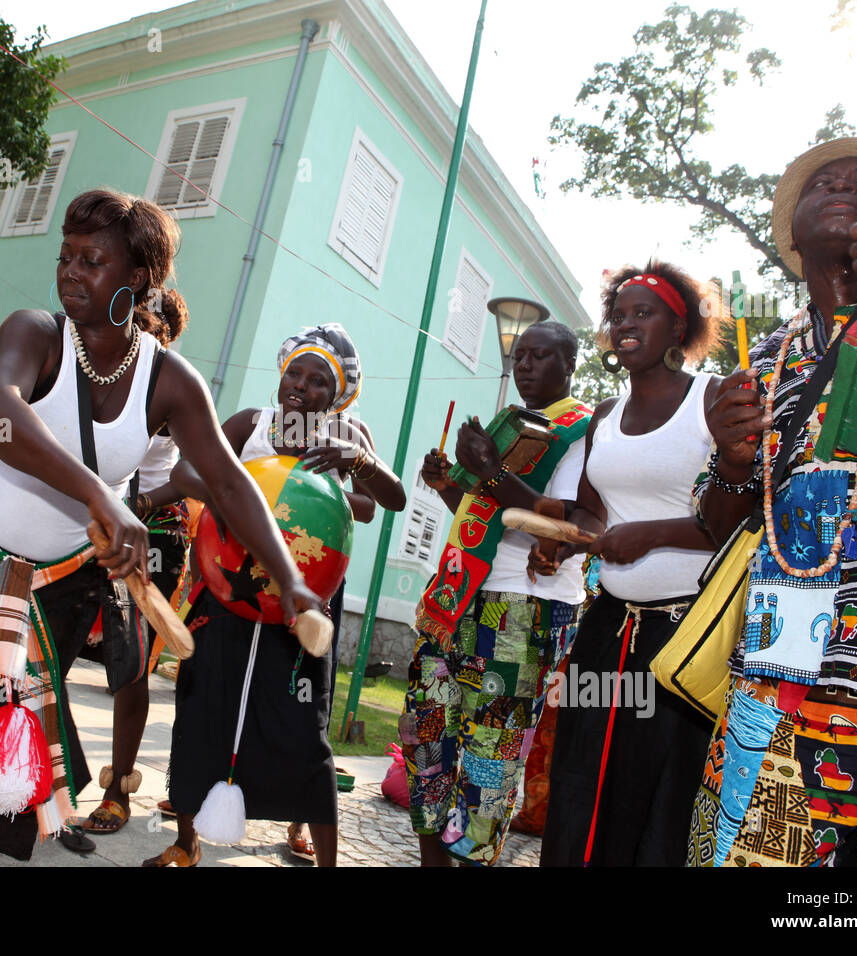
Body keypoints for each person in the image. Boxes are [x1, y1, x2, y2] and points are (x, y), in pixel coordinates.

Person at [0, 188, 324, 867]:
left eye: (91, 260)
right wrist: (103, 497)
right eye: (66, 256)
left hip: (58, 588)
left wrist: (292, 581)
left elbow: (232, 482)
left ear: (138, 277)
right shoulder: (37, 332)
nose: (69, 272)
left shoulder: (169, 380)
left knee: (7, 747)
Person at [690, 137, 857, 868]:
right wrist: (734, 462)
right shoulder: (765, 360)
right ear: (797, 235)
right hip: (769, 686)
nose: (841, 185)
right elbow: (717, 524)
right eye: (823, 183)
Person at [159, 323, 406, 867]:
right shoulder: (251, 423)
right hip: (229, 586)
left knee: (301, 724)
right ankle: (184, 840)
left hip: (306, 598)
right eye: (296, 372)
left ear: (337, 393)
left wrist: (354, 464)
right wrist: (230, 497)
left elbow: (385, 501)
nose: (302, 385)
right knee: (202, 708)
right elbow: (184, 469)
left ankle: (317, 850)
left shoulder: (349, 434)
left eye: (319, 380)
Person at [539, 261, 721, 866]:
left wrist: (650, 535)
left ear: (678, 328)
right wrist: (565, 540)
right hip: (607, 628)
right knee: (582, 774)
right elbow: (593, 511)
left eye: (643, 313)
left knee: (659, 786)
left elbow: (739, 516)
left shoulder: (713, 399)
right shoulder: (603, 418)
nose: (625, 324)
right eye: (617, 315)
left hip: (684, 636)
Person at [404, 319, 593, 866]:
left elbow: (561, 525)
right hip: (456, 600)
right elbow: (484, 520)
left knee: (490, 759)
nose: (526, 365)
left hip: (523, 608)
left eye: (541, 355)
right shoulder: (511, 424)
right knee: (426, 740)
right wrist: (449, 486)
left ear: (569, 366)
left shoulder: (579, 431)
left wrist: (486, 469)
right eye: (520, 356)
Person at [58, 430, 191, 852]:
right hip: (81, 518)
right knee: (50, 652)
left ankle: (117, 791)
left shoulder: (163, 377)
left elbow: (193, 470)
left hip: (150, 534)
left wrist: (144, 503)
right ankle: (42, 779)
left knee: (131, 665)